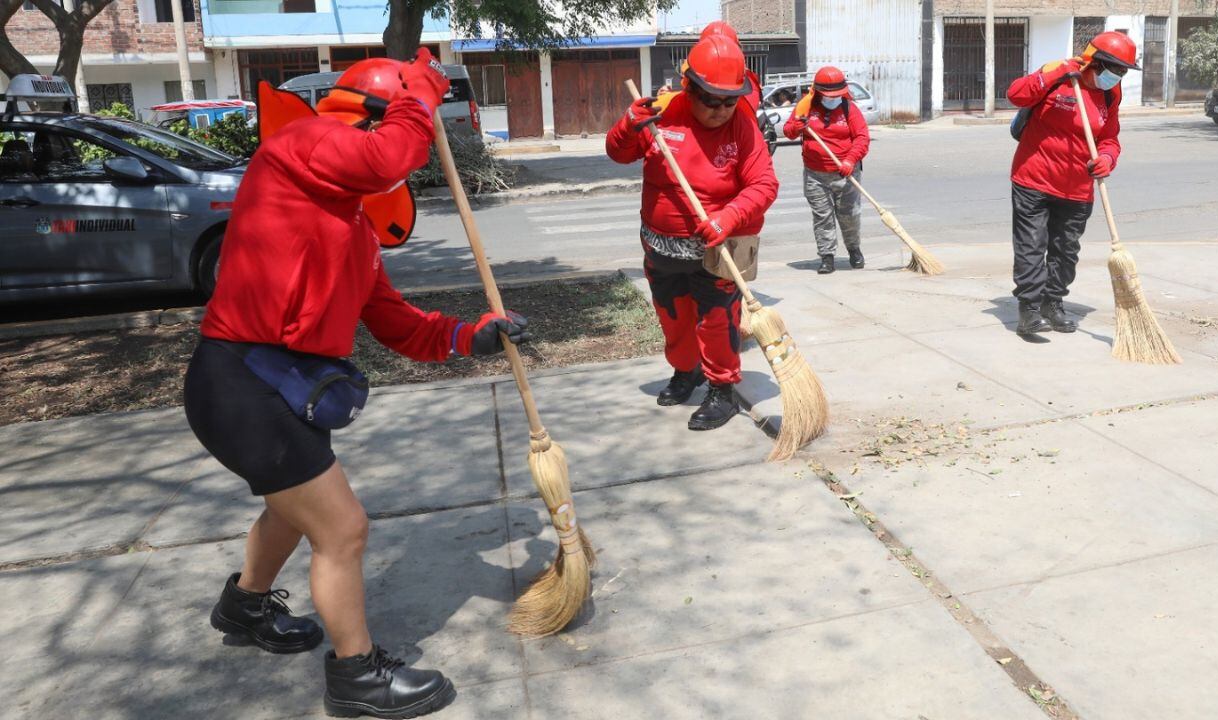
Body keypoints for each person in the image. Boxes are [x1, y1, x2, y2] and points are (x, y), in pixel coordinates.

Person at [184, 50, 528, 719]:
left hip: (276, 386)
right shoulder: (298, 143)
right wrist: (420, 100)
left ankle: (244, 607)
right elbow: (382, 158)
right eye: (395, 122)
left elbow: (399, 324)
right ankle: (356, 677)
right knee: (343, 530)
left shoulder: (351, 229)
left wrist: (471, 334)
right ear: (368, 118)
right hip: (239, 382)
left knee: (291, 511)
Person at [607, 35, 779, 430]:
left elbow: (764, 185)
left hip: (715, 249)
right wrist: (628, 126)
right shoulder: (662, 113)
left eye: (729, 100)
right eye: (711, 99)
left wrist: (728, 217)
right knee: (673, 316)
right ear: (690, 87)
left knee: (717, 320)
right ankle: (687, 372)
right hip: (660, 246)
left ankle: (721, 389)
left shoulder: (743, 126)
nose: (720, 110)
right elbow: (619, 153)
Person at [1006, 31, 1138, 336]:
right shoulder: (1060, 77)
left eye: (1123, 71)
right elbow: (1016, 94)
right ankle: (1029, 309)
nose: (1118, 76)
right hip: (1033, 179)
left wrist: (1107, 158)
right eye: (1114, 69)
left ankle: (1052, 304)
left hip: (1078, 188)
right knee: (1031, 247)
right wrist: (1050, 73)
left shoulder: (1111, 94)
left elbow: (1110, 139)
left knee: (1065, 251)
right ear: (1096, 63)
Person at [784, 66, 870, 274]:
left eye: (836, 95)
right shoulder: (806, 107)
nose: (832, 99)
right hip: (815, 174)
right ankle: (827, 256)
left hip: (846, 172)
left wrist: (850, 160)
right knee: (822, 216)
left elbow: (862, 138)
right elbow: (788, 132)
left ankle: (854, 249)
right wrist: (798, 126)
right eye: (828, 95)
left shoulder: (849, 109)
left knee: (849, 214)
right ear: (818, 92)